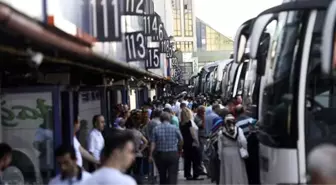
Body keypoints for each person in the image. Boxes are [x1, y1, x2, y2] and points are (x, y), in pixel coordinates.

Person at [149, 112, 183, 185]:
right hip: (173, 153)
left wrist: (150, 154)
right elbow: (181, 140)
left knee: (162, 174)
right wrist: (180, 149)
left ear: (160, 119)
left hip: (160, 154)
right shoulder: (175, 128)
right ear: (169, 119)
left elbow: (153, 143)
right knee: (173, 174)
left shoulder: (156, 129)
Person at [218, 114, 248, 185]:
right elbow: (243, 141)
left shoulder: (221, 132)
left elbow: (219, 147)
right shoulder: (239, 130)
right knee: (237, 170)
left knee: (227, 171)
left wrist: (220, 156)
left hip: (226, 153)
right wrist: (244, 148)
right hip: (236, 152)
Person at [180, 108, 203, 180]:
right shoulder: (190, 122)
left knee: (187, 160)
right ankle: (196, 174)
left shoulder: (181, 123)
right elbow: (193, 133)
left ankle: (187, 174)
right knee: (195, 159)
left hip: (185, 143)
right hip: (192, 143)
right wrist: (197, 142)